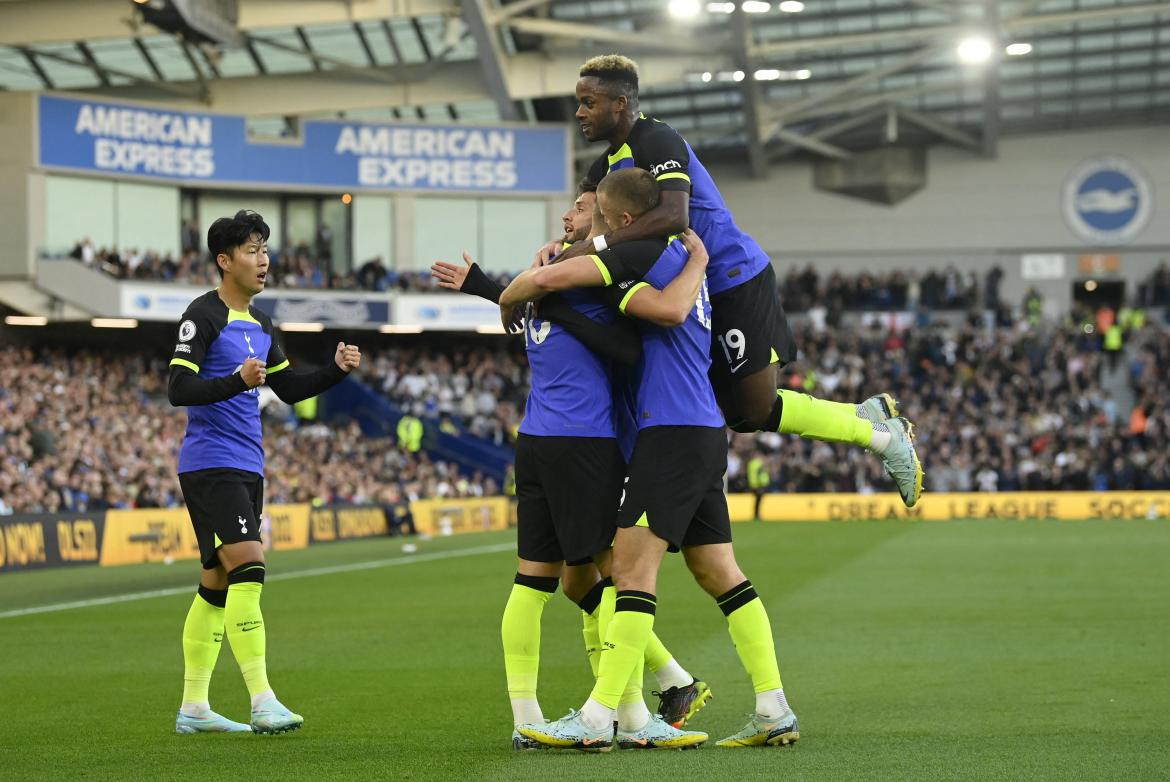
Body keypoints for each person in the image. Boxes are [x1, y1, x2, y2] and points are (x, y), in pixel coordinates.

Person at [544, 54, 922, 507]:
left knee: (755, 409)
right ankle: (866, 417)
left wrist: (595, 250)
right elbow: (585, 220)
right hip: (694, 286)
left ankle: (881, 436)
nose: (580, 112)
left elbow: (673, 214)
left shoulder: (657, 139)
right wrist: (555, 253)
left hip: (732, 275)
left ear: (620, 104)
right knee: (740, 415)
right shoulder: (606, 165)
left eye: (588, 102)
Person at [507, 167, 800, 751]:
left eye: (592, 213)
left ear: (617, 220)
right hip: (700, 428)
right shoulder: (675, 254)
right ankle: (774, 708)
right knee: (719, 572)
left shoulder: (636, 256)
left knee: (632, 573)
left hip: (668, 433)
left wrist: (531, 279)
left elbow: (633, 304)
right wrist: (695, 264)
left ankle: (598, 718)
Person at [432, 180, 711, 749]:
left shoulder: (556, 272)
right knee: (616, 580)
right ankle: (630, 717)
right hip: (583, 443)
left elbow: (545, 303)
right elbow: (630, 348)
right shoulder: (585, 273)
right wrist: (529, 291)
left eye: (581, 207)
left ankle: (529, 718)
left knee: (548, 581)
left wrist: (508, 289)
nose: (570, 214)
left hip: (534, 439)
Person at [168, 210, 361, 734]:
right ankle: (261, 699)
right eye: (252, 250)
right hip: (211, 464)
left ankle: (194, 707)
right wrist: (234, 380)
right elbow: (177, 389)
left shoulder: (262, 323)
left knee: (216, 586)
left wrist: (335, 373)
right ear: (224, 261)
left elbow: (289, 388)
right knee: (250, 568)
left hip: (248, 464)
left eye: (265, 249)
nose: (264, 259)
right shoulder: (202, 316)